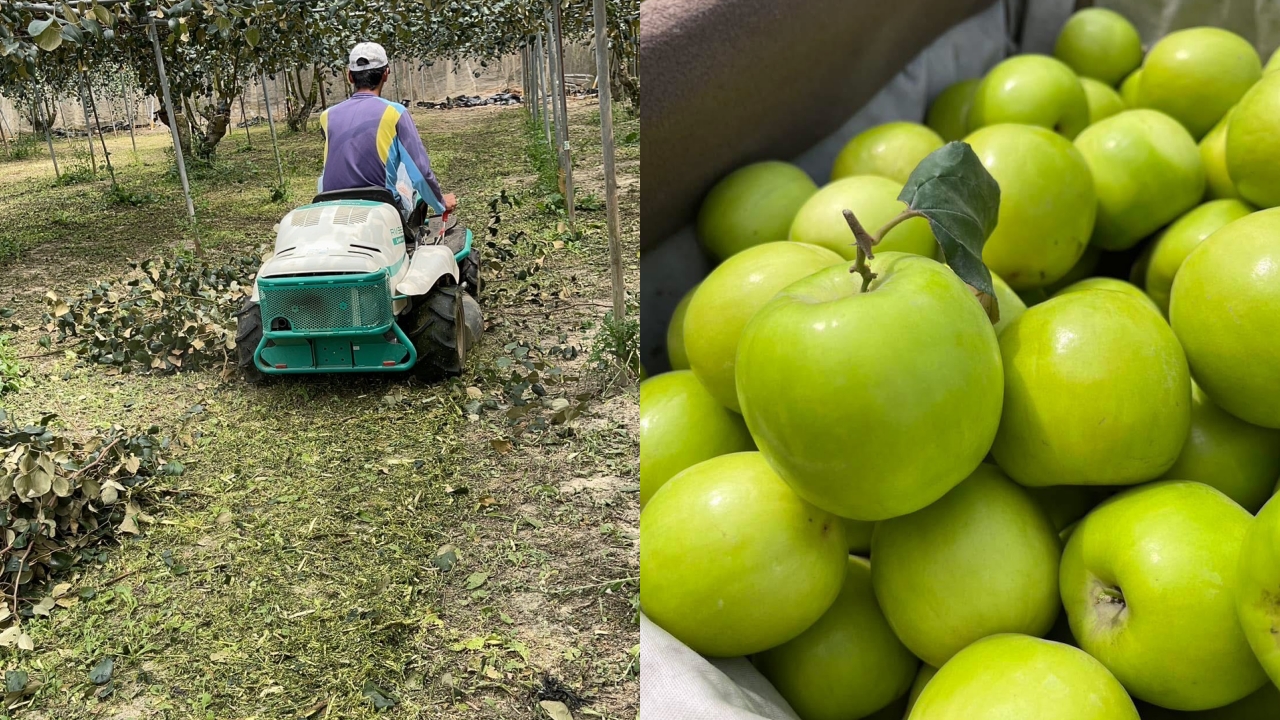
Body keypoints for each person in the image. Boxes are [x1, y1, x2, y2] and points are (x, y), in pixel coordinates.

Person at [318, 42, 457, 219]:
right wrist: (440, 203)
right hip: (382, 208)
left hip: (331, 206)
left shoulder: (327, 116)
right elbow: (420, 174)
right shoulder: (396, 113)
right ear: (385, 74)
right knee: (404, 169)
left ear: (350, 76)